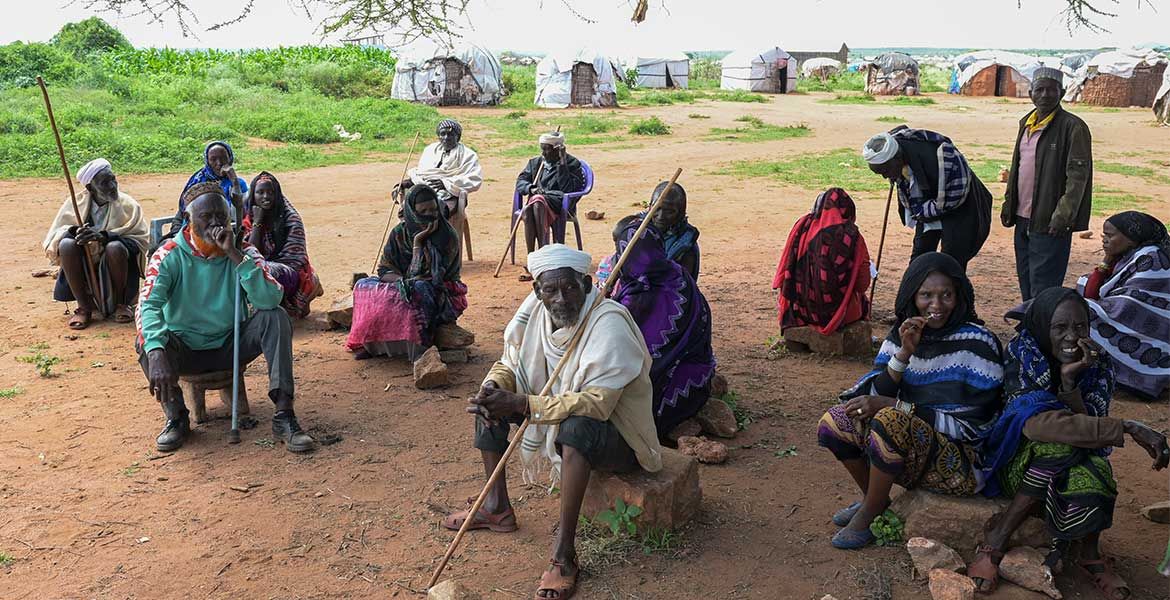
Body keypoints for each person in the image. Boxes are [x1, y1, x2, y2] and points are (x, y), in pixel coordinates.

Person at [441, 244, 662, 600]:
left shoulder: (609, 323)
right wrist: (495, 387)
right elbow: (510, 363)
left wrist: (525, 404)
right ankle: (496, 507)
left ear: (587, 285)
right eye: (551, 289)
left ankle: (564, 557)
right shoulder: (534, 313)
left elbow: (597, 404)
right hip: (550, 407)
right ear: (537, 290)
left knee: (575, 428)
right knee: (489, 402)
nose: (561, 298)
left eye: (571, 287)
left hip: (617, 436)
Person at [975, 287, 1168, 597]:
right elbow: (1037, 426)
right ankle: (998, 536)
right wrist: (1128, 427)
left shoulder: (1097, 364)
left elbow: (1094, 437)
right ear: (1042, 326)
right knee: (1060, 444)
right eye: (1060, 327)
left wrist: (1069, 383)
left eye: (1080, 326)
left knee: (1096, 466)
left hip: (1073, 453)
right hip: (1014, 460)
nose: (1071, 336)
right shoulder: (1023, 353)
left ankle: (1089, 552)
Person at [816, 252, 1004, 549]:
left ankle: (871, 511)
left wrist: (898, 408)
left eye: (946, 295)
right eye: (926, 295)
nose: (937, 305)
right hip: (909, 447)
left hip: (963, 463)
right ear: (912, 296)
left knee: (890, 419)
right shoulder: (903, 333)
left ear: (960, 295)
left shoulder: (978, 343)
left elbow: (974, 428)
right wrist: (903, 354)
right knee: (836, 421)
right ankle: (874, 499)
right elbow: (874, 397)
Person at [137, 182, 314, 453]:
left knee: (275, 317)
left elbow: (270, 298)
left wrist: (235, 255)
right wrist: (156, 349)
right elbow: (148, 305)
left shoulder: (243, 250)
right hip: (185, 347)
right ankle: (176, 417)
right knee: (147, 344)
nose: (215, 223)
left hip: (231, 344)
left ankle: (284, 414)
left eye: (221, 216)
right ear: (188, 219)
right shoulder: (169, 255)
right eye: (206, 217)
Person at [604, 217, 716, 439]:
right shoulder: (671, 272)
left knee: (622, 396)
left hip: (679, 378)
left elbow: (631, 349)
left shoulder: (645, 296)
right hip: (685, 371)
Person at [1002, 67, 1093, 301]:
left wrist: (1064, 215)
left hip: (1050, 219)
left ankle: (1040, 329)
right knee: (1025, 276)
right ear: (1031, 92)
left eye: (1051, 90)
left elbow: (1077, 177)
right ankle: (1029, 326)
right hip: (1022, 216)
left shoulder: (1073, 127)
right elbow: (1020, 167)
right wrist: (1008, 203)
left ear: (1061, 93)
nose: (1045, 95)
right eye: (1039, 89)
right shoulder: (1026, 123)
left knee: (1044, 283)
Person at [346, 185, 468, 359]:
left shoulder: (447, 236)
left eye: (433, 209)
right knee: (363, 286)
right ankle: (373, 345)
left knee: (418, 290)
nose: (429, 214)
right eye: (423, 211)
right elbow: (384, 269)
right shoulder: (398, 233)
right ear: (412, 211)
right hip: (404, 282)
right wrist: (401, 282)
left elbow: (429, 277)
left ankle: (422, 347)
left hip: (440, 290)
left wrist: (419, 242)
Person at [862, 127, 993, 270]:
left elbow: (953, 199)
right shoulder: (897, 153)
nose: (885, 176)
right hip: (926, 204)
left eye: (885, 171)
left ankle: (957, 291)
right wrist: (920, 211)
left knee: (952, 262)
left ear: (898, 158)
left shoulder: (944, 157)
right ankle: (914, 288)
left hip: (960, 208)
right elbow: (915, 202)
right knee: (919, 257)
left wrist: (921, 211)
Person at [43, 158, 149, 329]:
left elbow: (140, 239)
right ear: (90, 187)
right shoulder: (75, 204)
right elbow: (56, 234)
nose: (112, 186)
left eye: (113, 179)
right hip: (85, 258)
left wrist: (105, 236)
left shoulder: (129, 205)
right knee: (67, 245)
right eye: (104, 183)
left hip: (117, 257)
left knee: (115, 247)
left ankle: (121, 304)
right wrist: (75, 232)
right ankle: (84, 307)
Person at [1077, 211, 1169, 399]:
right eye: (1103, 235)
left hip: (1157, 328)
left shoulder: (1151, 258)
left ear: (1131, 239)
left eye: (1110, 236)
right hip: (1123, 309)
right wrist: (1106, 261)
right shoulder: (1126, 256)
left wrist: (1095, 307)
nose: (1104, 240)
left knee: (1079, 313)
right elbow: (1092, 293)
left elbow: (1131, 304)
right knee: (1072, 307)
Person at [772, 187, 871, 336]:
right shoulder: (852, 236)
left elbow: (786, 266)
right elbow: (862, 284)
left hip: (801, 311)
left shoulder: (802, 226)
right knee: (861, 301)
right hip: (837, 314)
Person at [242, 172, 322, 319]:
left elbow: (295, 260)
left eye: (270, 192)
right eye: (260, 192)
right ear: (253, 195)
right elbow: (250, 253)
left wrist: (258, 222)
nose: (265, 196)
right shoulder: (248, 218)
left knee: (265, 273)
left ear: (277, 194)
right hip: (262, 266)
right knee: (248, 271)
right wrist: (258, 221)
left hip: (290, 271)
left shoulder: (291, 219)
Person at [514, 131, 586, 278]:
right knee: (530, 209)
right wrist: (531, 188)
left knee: (538, 202)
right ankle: (534, 259)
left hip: (559, 203)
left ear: (557, 149)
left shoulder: (572, 164)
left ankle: (542, 256)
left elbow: (568, 189)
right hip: (536, 204)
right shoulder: (535, 163)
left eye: (547, 149)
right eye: (542, 148)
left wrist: (562, 163)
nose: (543, 153)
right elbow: (520, 182)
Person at [398, 119, 482, 237]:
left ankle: (435, 239)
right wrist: (408, 182)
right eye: (443, 134)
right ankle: (410, 239)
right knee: (410, 205)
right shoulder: (430, 150)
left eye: (451, 134)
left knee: (437, 209)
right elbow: (421, 173)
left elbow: (474, 179)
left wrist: (446, 183)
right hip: (425, 190)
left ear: (458, 137)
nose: (446, 137)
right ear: (438, 136)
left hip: (449, 195)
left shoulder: (468, 155)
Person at [170, 141, 247, 238]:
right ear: (207, 161)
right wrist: (176, 234)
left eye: (223, 158)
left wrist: (234, 182)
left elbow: (238, 218)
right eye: (213, 159)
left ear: (230, 159)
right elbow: (182, 213)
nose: (219, 163)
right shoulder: (197, 181)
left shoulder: (239, 185)